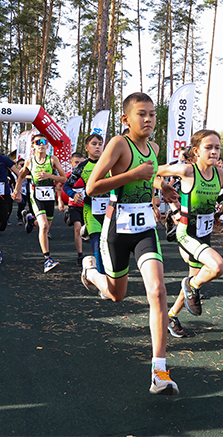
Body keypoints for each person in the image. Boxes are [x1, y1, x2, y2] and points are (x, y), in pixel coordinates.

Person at [82, 92, 180, 396]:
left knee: (158, 290)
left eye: (152, 114)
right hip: (116, 228)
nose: (149, 119)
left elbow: (149, 176)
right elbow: (92, 187)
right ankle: (91, 273)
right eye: (142, 114)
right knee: (116, 295)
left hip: (144, 229)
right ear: (126, 118)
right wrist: (131, 175)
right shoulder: (117, 144)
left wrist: (162, 187)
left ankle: (159, 371)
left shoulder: (154, 147)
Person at [157, 129, 223, 338]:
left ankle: (171, 316)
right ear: (196, 151)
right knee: (218, 266)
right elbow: (150, 171)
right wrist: (164, 186)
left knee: (195, 278)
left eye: (217, 147)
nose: (214, 151)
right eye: (208, 147)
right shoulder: (186, 171)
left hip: (204, 234)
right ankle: (190, 286)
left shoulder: (221, 175)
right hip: (186, 233)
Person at [12, 134, 67, 273]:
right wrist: (17, 191)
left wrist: (50, 176)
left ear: (47, 145)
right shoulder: (30, 162)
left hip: (49, 196)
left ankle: (31, 220)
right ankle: (47, 259)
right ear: (33, 145)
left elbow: (64, 178)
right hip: (36, 195)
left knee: (46, 227)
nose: (41, 145)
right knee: (43, 227)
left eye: (44, 142)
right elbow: (22, 175)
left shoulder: (52, 160)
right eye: (38, 142)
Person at [65, 135, 108, 274]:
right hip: (91, 211)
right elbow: (67, 186)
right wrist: (74, 195)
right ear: (86, 148)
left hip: (111, 212)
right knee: (97, 246)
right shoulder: (81, 167)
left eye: (100, 144)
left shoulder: (111, 162)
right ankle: (102, 279)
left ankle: (110, 275)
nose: (97, 146)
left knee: (111, 246)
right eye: (94, 144)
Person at [61, 152, 86, 266]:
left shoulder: (89, 174)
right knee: (77, 228)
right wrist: (60, 201)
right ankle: (80, 255)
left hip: (88, 206)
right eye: (76, 162)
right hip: (74, 206)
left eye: (81, 163)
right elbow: (60, 187)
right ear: (71, 163)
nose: (79, 165)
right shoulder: (69, 176)